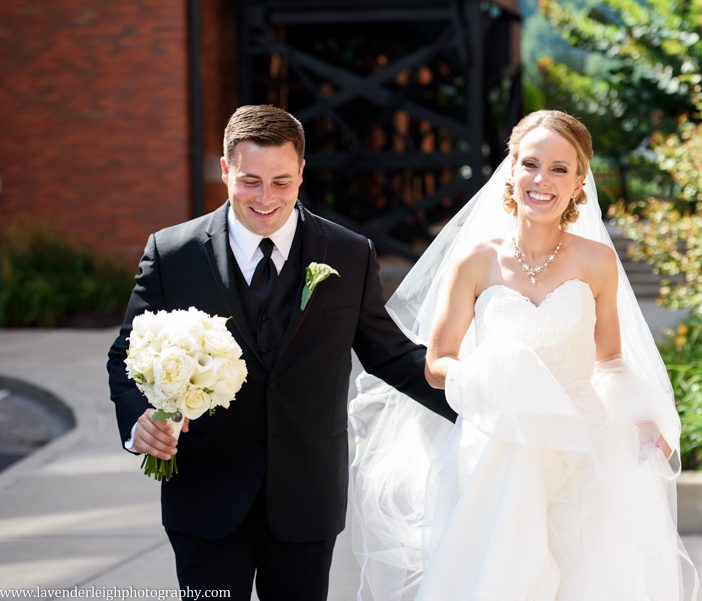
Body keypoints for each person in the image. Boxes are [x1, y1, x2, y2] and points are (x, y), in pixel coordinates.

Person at [107, 104, 455, 601]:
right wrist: (140, 421)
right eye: (250, 181)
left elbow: (390, 355)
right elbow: (125, 355)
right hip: (204, 498)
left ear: (301, 173)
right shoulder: (173, 253)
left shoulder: (349, 253)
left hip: (307, 499)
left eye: (281, 182)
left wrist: (476, 401)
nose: (266, 198)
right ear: (226, 170)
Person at [349, 110, 699, 600]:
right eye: (531, 164)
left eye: (559, 169)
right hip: (501, 443)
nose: (542, 180)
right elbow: (437, 363)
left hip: (581, 446)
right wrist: (487, 375)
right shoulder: (477, 260)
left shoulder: (597, 261)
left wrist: (640, 418)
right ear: (511, 169)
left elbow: (610, 360)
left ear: (579, 182)